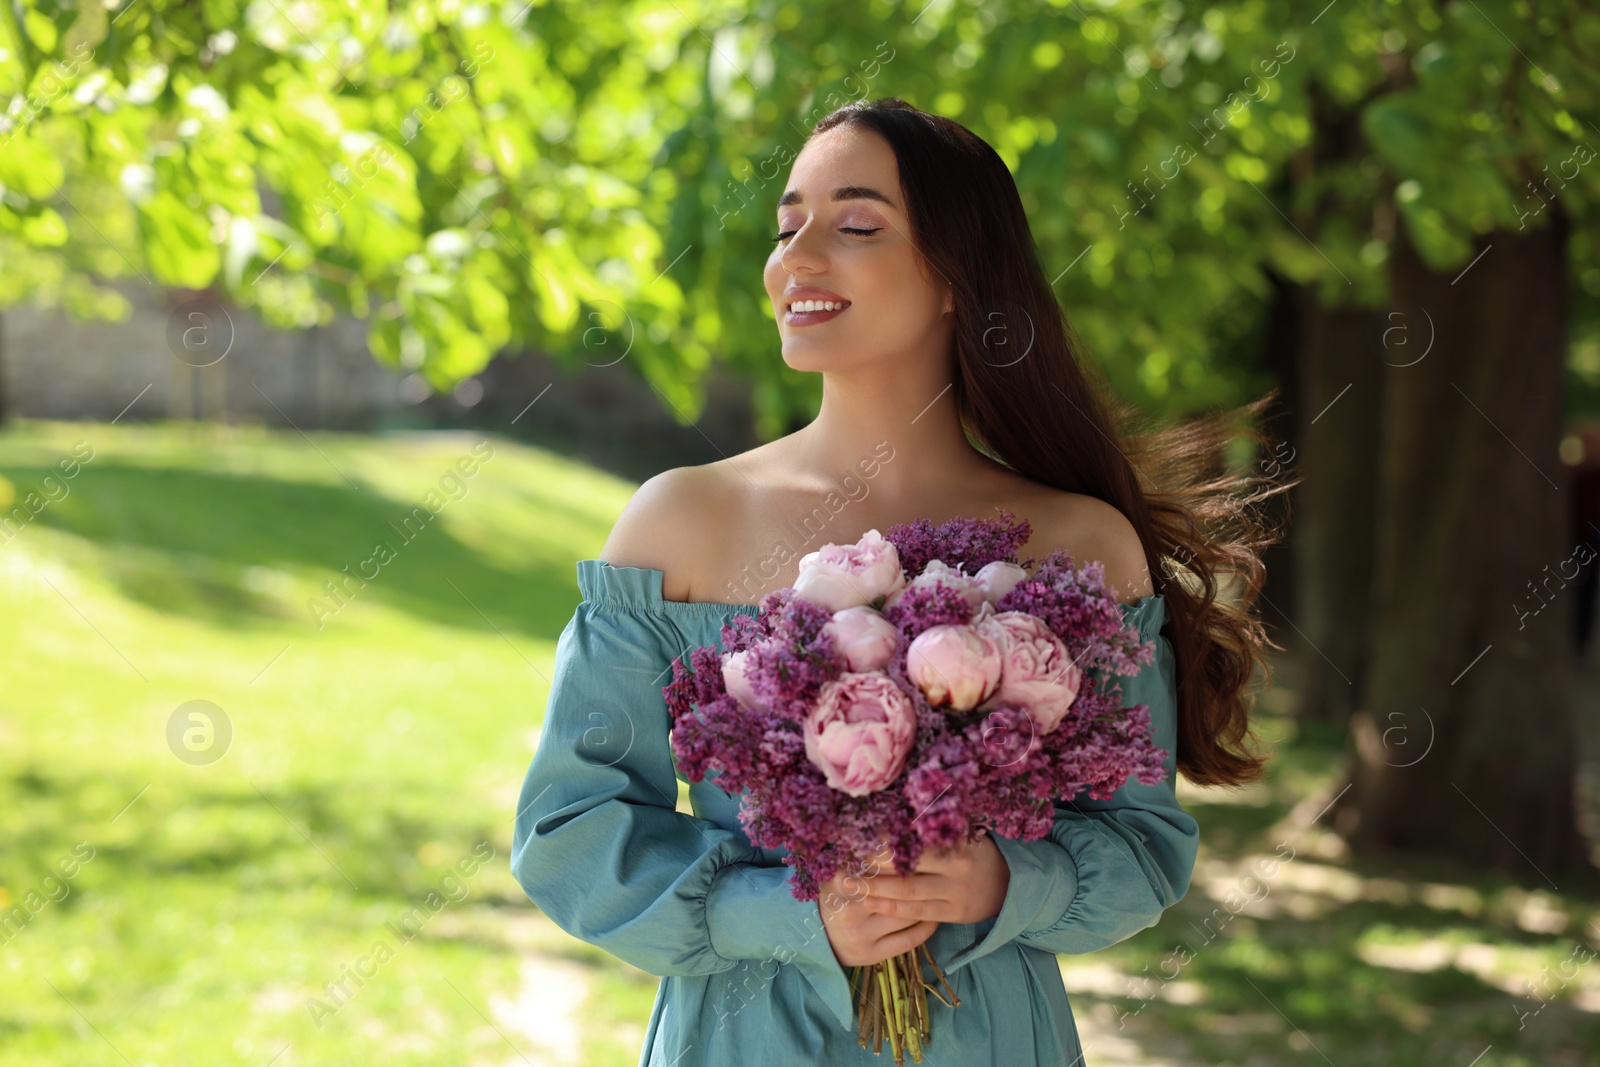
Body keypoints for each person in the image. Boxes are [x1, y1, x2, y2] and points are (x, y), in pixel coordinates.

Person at [511, 97, 1289, 1065]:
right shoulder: (679, 523)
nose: (796, 258)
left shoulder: (1081, 545)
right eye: (787, 223)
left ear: (958, 274)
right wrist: (790, 915)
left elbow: (1141, 844)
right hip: (744, 1038)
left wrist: (1000, 882)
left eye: (854, 224)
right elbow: (568, 832)